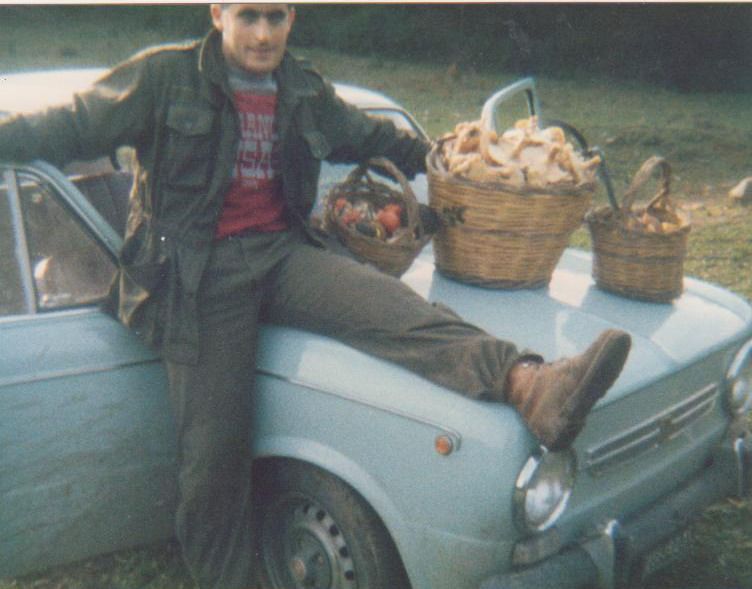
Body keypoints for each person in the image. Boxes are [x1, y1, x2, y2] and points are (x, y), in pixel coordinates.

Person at [0, 4, 631, 588]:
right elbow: (71, 124)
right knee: (214, 454)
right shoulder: (165, 77)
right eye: (248, 15)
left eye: (276, 16)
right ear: (218, 14)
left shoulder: (301, 89)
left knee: (397, 309)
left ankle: (532, 386)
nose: (262, 33)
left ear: (292, 18)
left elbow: (373, 137)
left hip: (282, 253)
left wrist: (450, 161)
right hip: (199, 277)